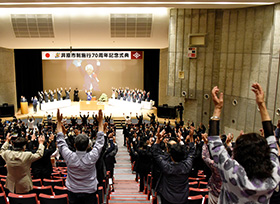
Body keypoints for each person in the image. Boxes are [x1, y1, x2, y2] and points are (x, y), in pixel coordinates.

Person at [207, 84, 280, 203]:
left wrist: (218, 108)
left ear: (238, 154)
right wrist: (261, 105)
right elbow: (272, 139)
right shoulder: (274, 175)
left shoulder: (232, 173)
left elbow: (213, 142)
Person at [56, 109, 105, 204]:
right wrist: (100, 121)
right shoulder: (92, 156)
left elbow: (60, 140)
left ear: (74, 146)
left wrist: (58, 121)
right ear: (88, 146)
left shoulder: (69, 156)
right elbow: (100, 141)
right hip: (90, 192)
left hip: (73, 192)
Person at [152, 128, 195, 204]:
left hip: (167, 198)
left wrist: (158, 140)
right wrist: (191, 137)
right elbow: (192, 152)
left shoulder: (167, 167)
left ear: (171, 155)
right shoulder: (187, 166)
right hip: (183, 198)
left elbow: (155, 153)